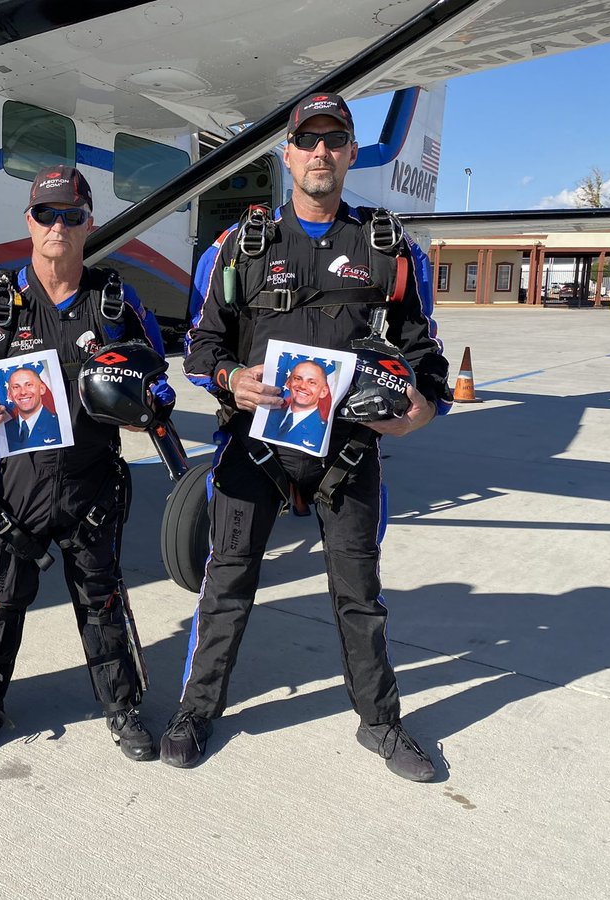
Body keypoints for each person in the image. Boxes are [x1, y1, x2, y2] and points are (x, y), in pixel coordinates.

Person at [168, 93, 452, 780]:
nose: (320, 152)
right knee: (226, 583)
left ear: (351, 154)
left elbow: (428, 358)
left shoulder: (389, 249)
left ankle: (381, 723)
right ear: (287, 155)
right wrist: (232, 377)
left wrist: (420, 411)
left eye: (335, 140)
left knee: (359, 592)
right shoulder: (240, 245)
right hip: (253, 451)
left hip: (348, 453)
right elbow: (200, 345)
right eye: (309, 141)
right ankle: (196, 712)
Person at [0, 165, 174, 765]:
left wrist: (143, 407)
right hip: (13, 492)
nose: (58, 226)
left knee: (103, 602)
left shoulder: (115, 303)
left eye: (71, 215)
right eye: (47, 214)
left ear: (89, 223)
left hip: (91, 488)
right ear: (29, 222)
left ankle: (122, 708)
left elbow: (159, 381)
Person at [266, 359, 330, 449]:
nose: (303, 386)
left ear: (323, 392)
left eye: (312, 382)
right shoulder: (268, 415)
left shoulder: (324, 429)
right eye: (297, 379)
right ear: (288, 383)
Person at [2, 365, 61, 449]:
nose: (23, 392)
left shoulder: (59, 425)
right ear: (9, 394)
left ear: (42, 389)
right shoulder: (4, 431)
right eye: (16, 387)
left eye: (29, 385)